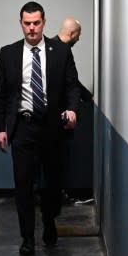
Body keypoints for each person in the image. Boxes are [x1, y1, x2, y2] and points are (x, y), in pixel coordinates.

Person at [0, 1, 82, 256]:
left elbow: (72, 87)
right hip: (23, 127)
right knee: (23, 185)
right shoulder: (8, 53)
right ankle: (27, 238)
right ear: (21, 24)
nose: (31, 28)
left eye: (36, 23)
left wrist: (73, 109)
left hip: (52, 127)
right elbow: (0, 95)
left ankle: (50, 220)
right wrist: (0, 128)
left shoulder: (61, 52)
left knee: (52, 183)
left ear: (44, 23)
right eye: (27, 23)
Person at [52, 17, 93, 203]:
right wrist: (86, 98)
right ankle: (56, 196)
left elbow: (71, 81)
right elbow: (70, 83)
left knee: (59, 157)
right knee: (58, 157)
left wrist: (86, 96)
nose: (79, 39)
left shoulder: (53, 48)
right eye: (78, 34)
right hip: (57, 115)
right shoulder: (59, 51)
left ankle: (56, 194)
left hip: (56, 115)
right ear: (72, 33)